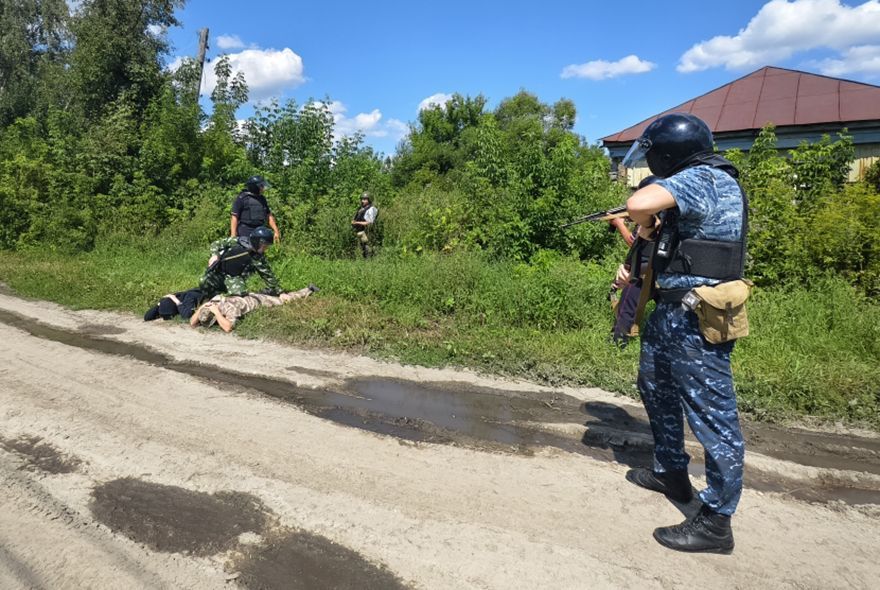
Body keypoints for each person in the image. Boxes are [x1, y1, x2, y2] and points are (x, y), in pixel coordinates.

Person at [620, 112, 748, 554]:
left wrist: (640, 207)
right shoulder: (692, 187)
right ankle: (671, 470)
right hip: (671, 314)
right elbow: (653, 235)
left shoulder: (703, 178)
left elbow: (639, 205)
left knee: (713, 417)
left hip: (697, 317)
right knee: (654, 388)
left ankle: (716, 522)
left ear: (669, 152)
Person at [608, 175, 659, 347]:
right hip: (656, 271)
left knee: (627, 306)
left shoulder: (654, 218)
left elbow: (633, 240)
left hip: (646, 273)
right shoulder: (661, 216)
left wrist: (618, 223)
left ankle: (618, 342)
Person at [199, 226, 282, 299]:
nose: (265, 249)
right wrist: (215, 255)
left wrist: (280, 292)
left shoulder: (257, 258)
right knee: (203, 282)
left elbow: (267, 274)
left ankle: (226, 296)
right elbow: (216, 244)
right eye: (264, 246)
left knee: (239, 295)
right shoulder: (236, 241)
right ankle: (214, 296)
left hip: (234, 277)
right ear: (257, 242)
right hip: (219, 271)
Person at [190, 285, 319, 332]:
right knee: (276, 295)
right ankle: (270, 290)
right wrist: (202, 307)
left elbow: (228, 328)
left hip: (259, 301)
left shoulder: (229, 308)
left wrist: (217, 313)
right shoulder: (214, 301)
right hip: (249, 296)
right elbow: (192, 323)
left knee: (286, 300)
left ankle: (308, 290)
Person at [231, 175, 280, 242]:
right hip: (245, 231)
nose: (263, 188)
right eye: (261, 186)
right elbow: (234, 217)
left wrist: (276, 231)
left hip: (259, 231)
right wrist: (233, 236)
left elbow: (269, 216)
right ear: (255, 187)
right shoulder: (242, 198)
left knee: (260, 252)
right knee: (246, 251)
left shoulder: (262, 199)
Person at [351, 192, 378, 258]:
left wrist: (357, 223)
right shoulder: (361, 209)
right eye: (362, 199)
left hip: (368, 231)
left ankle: (370, 263)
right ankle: (365, 262)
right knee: (363, 248)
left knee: (367, 248)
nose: (362, 201)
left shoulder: (372, 209)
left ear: (369, 200)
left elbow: (370, 222)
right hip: (361, 231)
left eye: (365, 199)